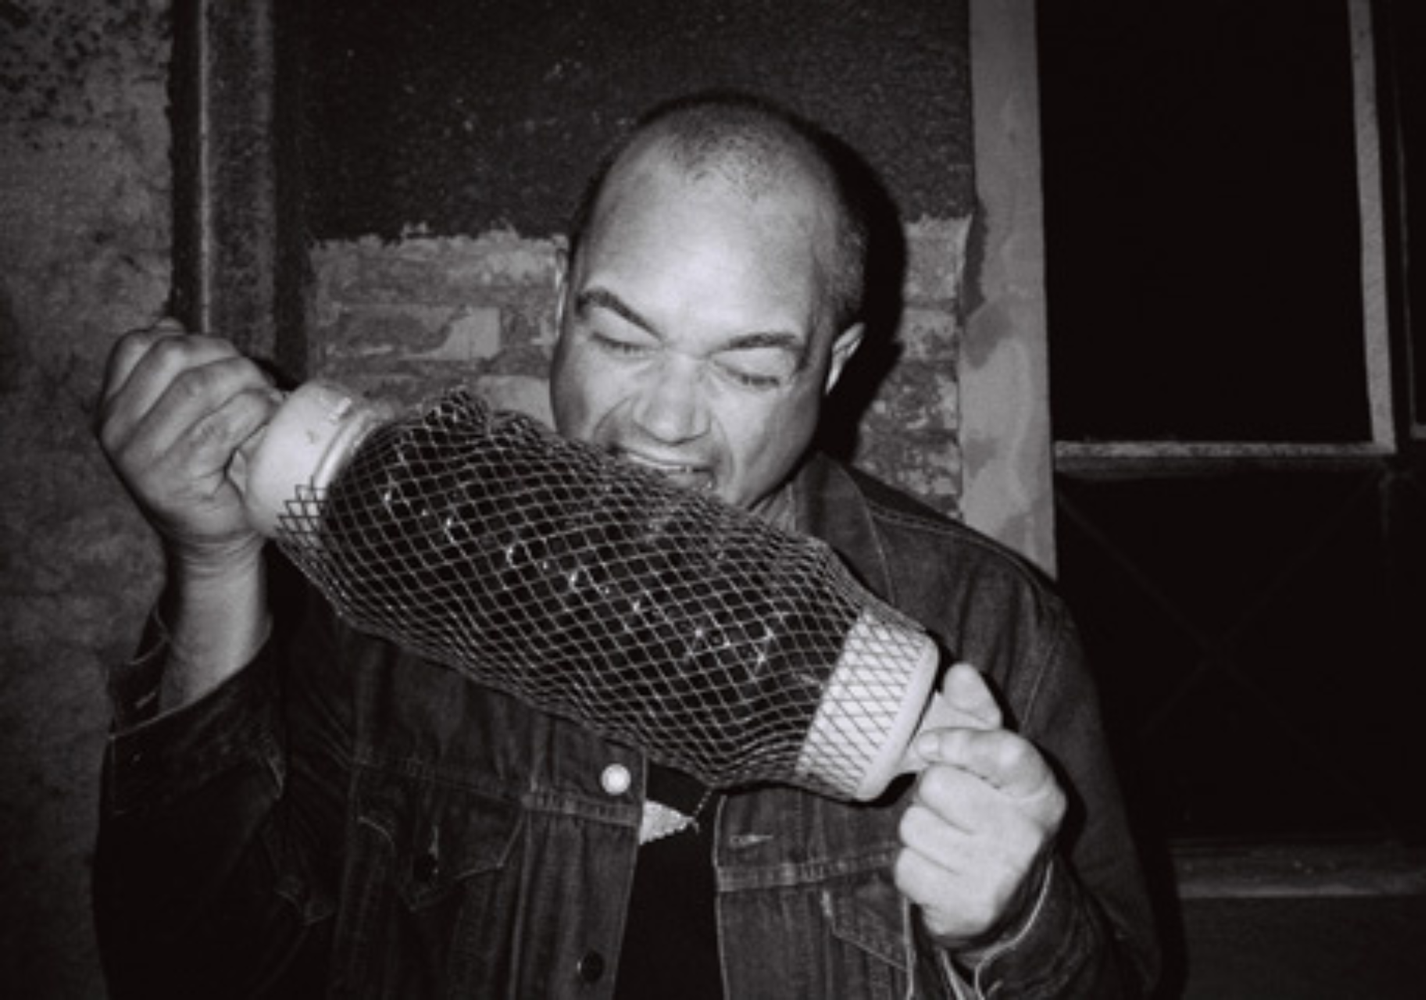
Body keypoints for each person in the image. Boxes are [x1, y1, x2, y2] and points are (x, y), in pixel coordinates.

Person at [93, 93, 1160, 998]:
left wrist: (1017, 921)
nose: (662, 421)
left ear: (834, 368)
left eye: (745, 367)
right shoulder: (381, 587)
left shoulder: (990, 624)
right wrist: (217, 564)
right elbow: (189, 962)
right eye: (619, 338)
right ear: (560, 302)